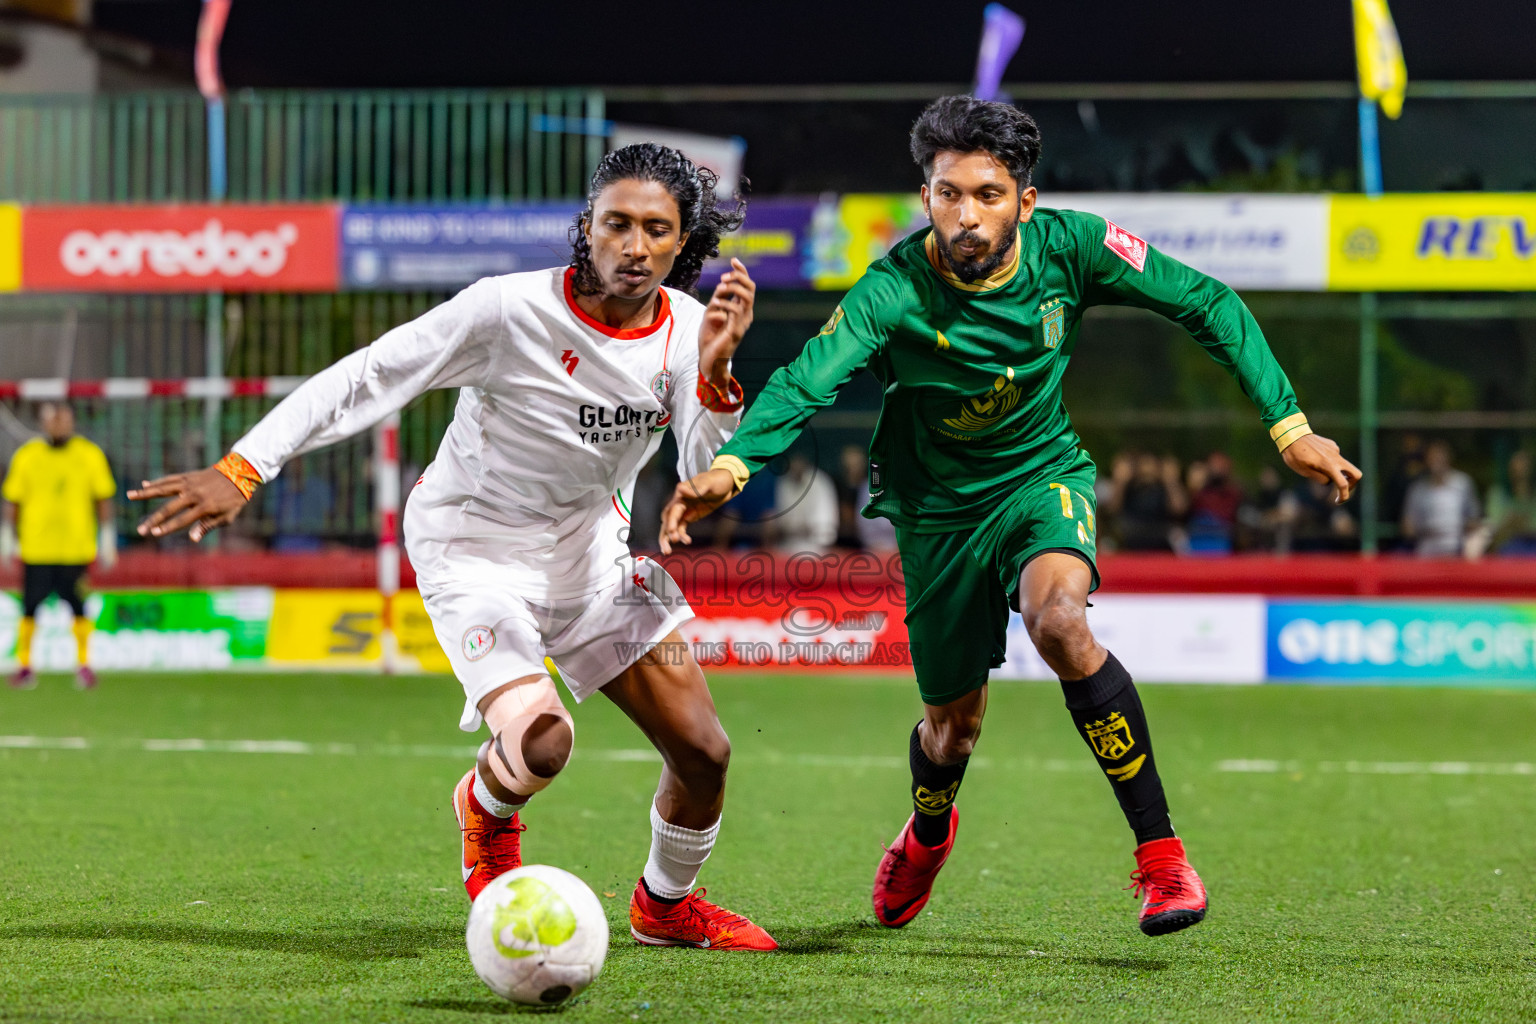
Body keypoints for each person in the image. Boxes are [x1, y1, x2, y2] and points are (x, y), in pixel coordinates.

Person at [660, 96, 1361, 937]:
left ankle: (1162, 858)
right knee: (952, 732)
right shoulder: (892, 287)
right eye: (949, 193)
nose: (966, 213)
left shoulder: (1077, 246)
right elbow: (812, 377)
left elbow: (1206, 301)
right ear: (926, 198)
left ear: (1024, 201)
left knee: (1060, 621)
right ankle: (927, 831)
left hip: (1041, 479)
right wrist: (733, 468)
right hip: (936, 514)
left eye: (987, 194)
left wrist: (1288, 424)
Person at [129, 144, 777, 951]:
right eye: (617, 223)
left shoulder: (686, 332)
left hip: (593, 559)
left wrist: (715, 374)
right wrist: (244, 466)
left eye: (656, 229)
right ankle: (487, 808)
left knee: (705, 752)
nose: (635, 246)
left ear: (682, 245)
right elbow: (366, 376)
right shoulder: (504, 310)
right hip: (474, 549)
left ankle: (665, 906)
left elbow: (701, 461)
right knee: (544, 741)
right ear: (587, 228)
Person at [1, 402, 117, 690]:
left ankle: (84, 665)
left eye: (63, 419)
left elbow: (103, 497)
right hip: (36, 548)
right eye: (53, 420)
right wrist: (7, 535)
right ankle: (25, 666)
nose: (58, 425)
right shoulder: (27, 456)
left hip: (75, 549)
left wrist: (107, 537)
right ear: (43, 423)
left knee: (78, 606)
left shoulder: (89, 455)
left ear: (72, 422)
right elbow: (13, 499)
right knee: (30, 607)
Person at [1401, 439, 1479, 558]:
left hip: (1456, 548)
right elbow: (1408, 527)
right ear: (1427, 461)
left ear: (1448, 458)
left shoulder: (1463, 483)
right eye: (1432, 457)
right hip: (1426, 548)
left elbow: (1474, 518)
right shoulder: (1417, 489)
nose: (1436, 461)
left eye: (1439, 457)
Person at [1483, 450, 1536, 556]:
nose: (1520, 471)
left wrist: (1518, 525)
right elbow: (1494, 530)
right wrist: (1511, 524)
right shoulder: (1497, 494)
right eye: (1516, 468)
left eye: (1525, 467)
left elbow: (1531, 527)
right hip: (1507, 547)